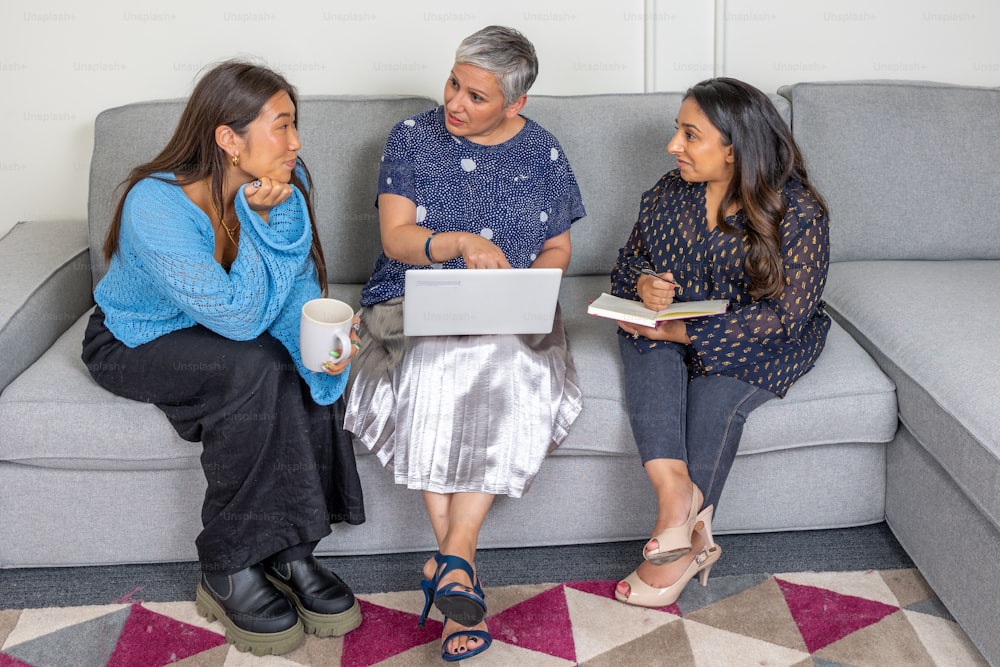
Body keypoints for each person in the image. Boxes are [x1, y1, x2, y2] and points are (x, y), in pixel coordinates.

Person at [81, 60, 365, 656]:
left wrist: (321, 351)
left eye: (295, 125)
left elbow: (292, 293)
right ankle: (228, 566)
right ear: (228, 139)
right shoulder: (154, 204)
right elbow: (235, 318)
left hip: (222, 330)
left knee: (293, 365)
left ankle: (291, 553)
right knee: (252, 366)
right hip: (137, 337)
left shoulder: (288, 183)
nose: (296, 143)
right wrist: (265, 218)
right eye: (282, 127)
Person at [344, 25, 585, 662]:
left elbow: (559, 246)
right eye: (454, 83)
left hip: (510, 312)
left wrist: (534, 283)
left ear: (516, 104)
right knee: (435, 361)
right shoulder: (410, 138)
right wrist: (458, 244)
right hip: (411, 299)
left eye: (477, 96)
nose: (455, 102)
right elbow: (396, 239)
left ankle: (453, 563)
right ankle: (459, 564)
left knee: (504, 358)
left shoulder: (544, 151)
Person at [610, 77, 830, 608]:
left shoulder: (798, 213)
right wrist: (642, 284)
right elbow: (626, 264)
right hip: (671, 326)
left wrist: (686, 331)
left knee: (711, 398)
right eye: (676, 132)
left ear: (734, 150)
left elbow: (785, 316)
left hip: (759, 339)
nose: (673, 146)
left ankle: (682, 553)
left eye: (691, 135)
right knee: (645, 344)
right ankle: (676, 502)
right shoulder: (669, 193)